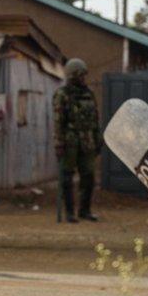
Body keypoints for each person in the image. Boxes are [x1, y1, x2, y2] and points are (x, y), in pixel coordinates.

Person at [53, 58, 103, 223]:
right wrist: (59, 143)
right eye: (81, 75)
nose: (83, 78)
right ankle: (69, 212)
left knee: (88, 176)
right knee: (67, 177)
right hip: (70, 141)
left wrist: (97, 139)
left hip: (87, 140)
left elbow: (95, 119)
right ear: (73, 75)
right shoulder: (62, 94)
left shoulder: (88, 93)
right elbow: (58, 121)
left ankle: (85, 210)